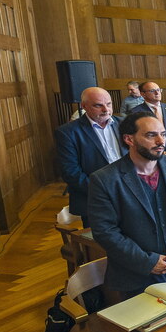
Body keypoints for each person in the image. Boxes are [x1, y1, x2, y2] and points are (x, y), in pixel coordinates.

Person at [87, 113, 166, 296]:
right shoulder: (105, 179)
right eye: (151, 135)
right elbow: (105, 231)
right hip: (137, 276)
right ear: (129, 139)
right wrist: (147, 262)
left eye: (163, 134)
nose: (160, 141)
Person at [55, 87, 125, 228]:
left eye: (109, 104)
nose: (106, 110)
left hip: (128, 194)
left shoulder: (124, 123)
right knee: (98, 247)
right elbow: (71, 172)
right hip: (94, 198)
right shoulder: (68, 132)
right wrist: (103, 192)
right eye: (98, 105)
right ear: (84, 106)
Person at [131, 81, 166, 157]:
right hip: (151, 156)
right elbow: (137, 137)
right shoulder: (136, 112)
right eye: (152, 91)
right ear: (143, 94)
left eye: (158, 90)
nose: (157, 93)